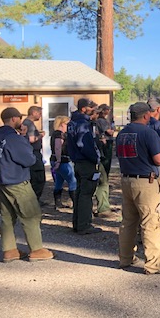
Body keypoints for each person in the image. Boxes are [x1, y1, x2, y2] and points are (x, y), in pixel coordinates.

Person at [116, 102, 160, 276]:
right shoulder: (148, 133)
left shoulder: (122, 133)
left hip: (126, 180)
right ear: (146, 115)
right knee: (151, 222)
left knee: (128, 222)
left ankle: (125, 258)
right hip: (145, 183)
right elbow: (158, 159)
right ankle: (154, 264)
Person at [0, 107, 53, 262]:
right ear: (14, 119)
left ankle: (9, 250)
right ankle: (36, 249)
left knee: (7, 217)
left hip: (2, 180)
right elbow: (29, 159)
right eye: (19, 118)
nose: (21, 120)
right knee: (31, 214)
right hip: (17, 181)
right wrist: (24, 137)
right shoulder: (14, 138)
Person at [67, 98, 103, 235]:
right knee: (86, 194)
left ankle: (77, 223)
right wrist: (95, 157)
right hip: (85, 162)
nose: (94, 111)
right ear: (84, 109)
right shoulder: (82, 124)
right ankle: (84, 225)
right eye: (91, 108)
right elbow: (84, 144)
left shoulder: (73, 122)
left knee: (80, 192)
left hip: (77, 161)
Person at [50, 115, 76, 209]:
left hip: (55, 160)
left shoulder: (55, 133)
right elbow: (58, 147)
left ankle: (58, 203)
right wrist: (59, 160)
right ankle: (76, 203)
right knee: (72, 181)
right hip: (63, 161)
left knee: (59, 182)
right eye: (67, 124)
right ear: (62, 124)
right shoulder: (59, 134)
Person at [22, 105, 46, 206]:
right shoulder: (29, 124)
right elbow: (31, 139)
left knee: (34, 178)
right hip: (33, 153)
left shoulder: (25, 123)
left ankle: (33, 200)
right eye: (39, 113)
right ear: (34, 113)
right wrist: (41, 135)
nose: (40, 116)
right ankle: (34, 201)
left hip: (29, 153)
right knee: (39, 178)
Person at [90, 105, 112, 218]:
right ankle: (103, 208)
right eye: (95, 112)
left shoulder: (90, 125)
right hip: (93, 158)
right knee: (102, 182)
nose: (97, 115)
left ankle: (86, 211)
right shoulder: (90, 126)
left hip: (92, 158)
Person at [96, 104, 115, 176]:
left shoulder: (103, 120)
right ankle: (104, 179)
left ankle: (105, 179)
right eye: (107, 109)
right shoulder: (101, 120)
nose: (109, 111)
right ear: (103, 111)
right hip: (106, 142)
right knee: (106, 161)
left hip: (106, 141)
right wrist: (113, 129)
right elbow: (109, 132)